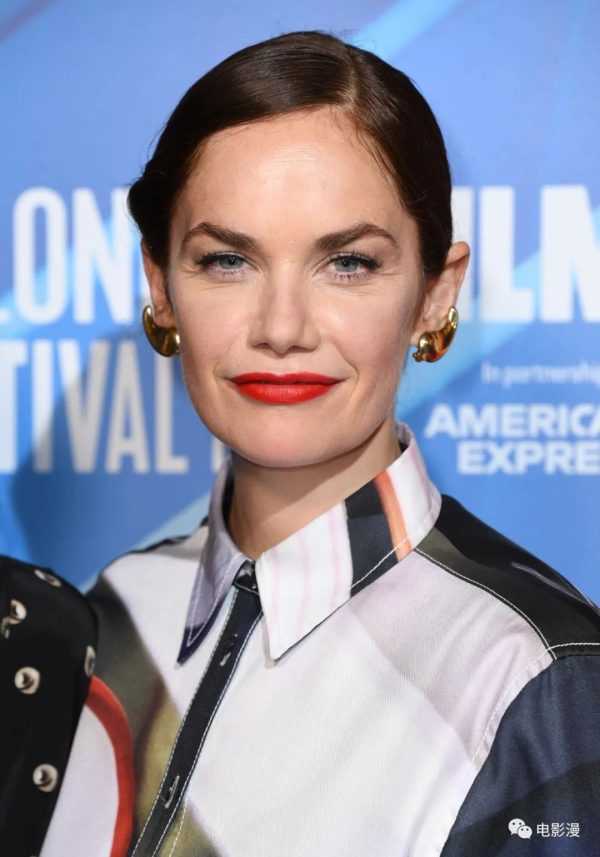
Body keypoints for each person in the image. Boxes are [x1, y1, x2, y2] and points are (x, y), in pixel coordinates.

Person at [33, 29, 600, 857]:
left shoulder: (535, 674)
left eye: (349, 264)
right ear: (160, 285)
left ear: (435, 294)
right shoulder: (112, 611)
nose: (282, 327)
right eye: (227, 260)